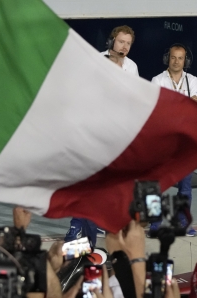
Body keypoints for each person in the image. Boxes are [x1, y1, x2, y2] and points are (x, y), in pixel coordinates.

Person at [65, 25, 139, 246]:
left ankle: (97, 226)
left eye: (128, 43)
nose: (124, 47)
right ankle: (75, 227)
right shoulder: (95, 61)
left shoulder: (132, 67)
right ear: (112, 41)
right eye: (121, 41)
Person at [148, 44, 197, 237]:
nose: (176, 61)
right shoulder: (157, 80)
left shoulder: (192, 80)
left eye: (180, 58)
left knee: (185, 187)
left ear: (185, 61)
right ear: (167, 59)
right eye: (173, 57)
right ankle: (154, 224)